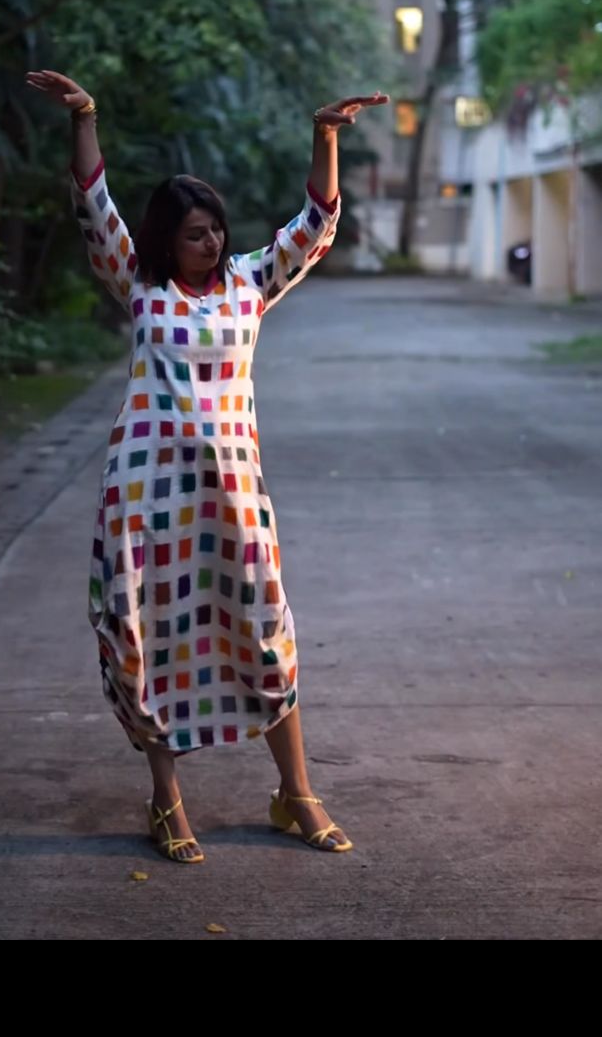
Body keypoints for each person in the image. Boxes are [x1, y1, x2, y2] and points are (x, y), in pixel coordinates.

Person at [26, 69, 388, 864]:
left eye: (216, 230)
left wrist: (324, 137)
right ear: (165, 240)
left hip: (232, 497)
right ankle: (167, 803)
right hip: (146, 498)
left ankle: (296, 793)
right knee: (144, 635)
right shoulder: (141, 285)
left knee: (264, 631)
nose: (211, 243)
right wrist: (85, 114)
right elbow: (93, 202)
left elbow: (316, 223)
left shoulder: (249, 285)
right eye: (195, 234)